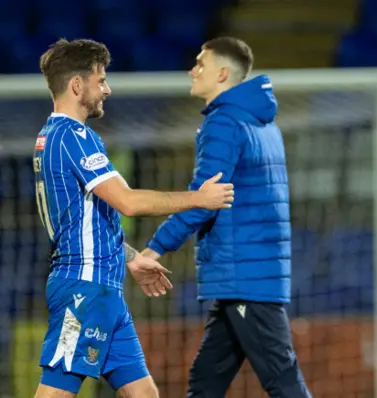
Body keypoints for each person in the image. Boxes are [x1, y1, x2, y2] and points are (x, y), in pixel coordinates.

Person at [34, 39, 234, 398]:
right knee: (56, 393)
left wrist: (130, 257)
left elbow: (84, 218)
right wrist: (199, 198)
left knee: (144, 394)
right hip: (84, 289)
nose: (106, 89)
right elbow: (128, 203)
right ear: (77, 85)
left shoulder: (54, 137)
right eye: (101, 80)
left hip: (104, 289)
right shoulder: (73, 137)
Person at [140, 37, 311, 397]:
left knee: (283, 382)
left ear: (221, 73)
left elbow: (204, 200)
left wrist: (154, 250)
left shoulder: (224, 123)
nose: (192, 70)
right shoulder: (265, 125)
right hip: (250, 273)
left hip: (244, 276)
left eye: (200, 63)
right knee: (206, 381)